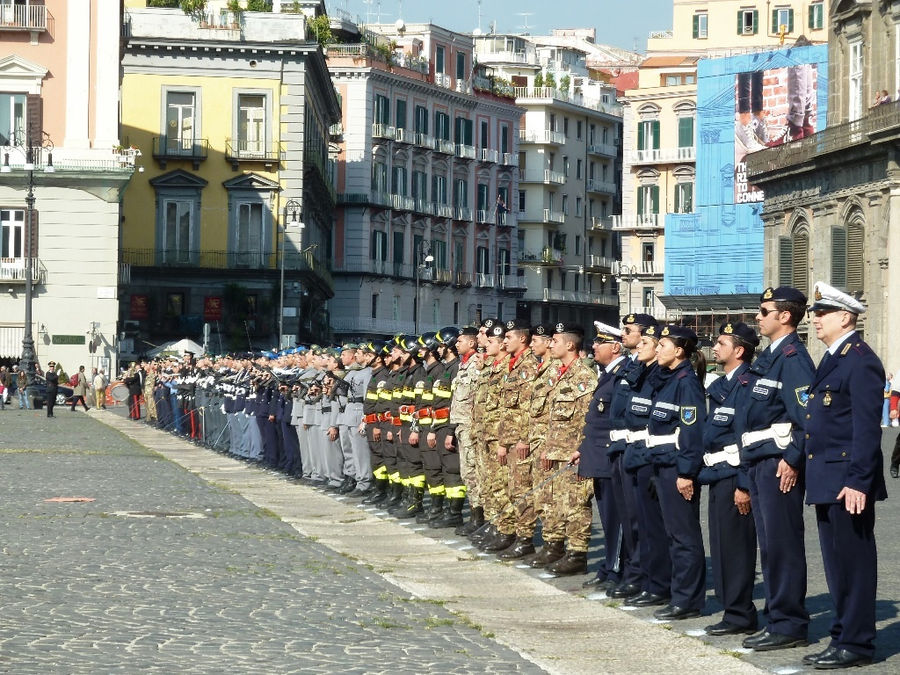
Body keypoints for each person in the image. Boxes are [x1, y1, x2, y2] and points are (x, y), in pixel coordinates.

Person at [802, 281, 886, 669]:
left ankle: (857, 642)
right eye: (815, 314)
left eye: (822, 313)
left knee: (853, 564)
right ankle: (843, 636)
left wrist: (858, 480)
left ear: (846, 317)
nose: (815, 320)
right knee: (836, 566)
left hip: (846, 481)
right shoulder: (835, 358)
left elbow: (866, 429)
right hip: (827, 478)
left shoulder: (860, 359)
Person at [736, 286, 814, 652]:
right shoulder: (770, 358)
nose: (757, 316)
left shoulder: (794, 358)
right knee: (769, 547)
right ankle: (777, 618)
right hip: (760, 462)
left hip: (778, 464)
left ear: (784, 316)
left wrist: (793, 459)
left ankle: (789, 623)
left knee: (782, 545)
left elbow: (807, 418)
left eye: (764, 311)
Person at [701, 322, 759, 636]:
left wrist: (743, 483)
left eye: (722, 343)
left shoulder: (748, 384)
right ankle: (732, 609)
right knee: (722, 545)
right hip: (718, 474)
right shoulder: (724, 384)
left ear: (738, 350)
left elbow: (745, 437)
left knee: (736, 547)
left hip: (735, 476)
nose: (715, 347)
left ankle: (740, 613)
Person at [646, 325, 708, 621]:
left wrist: (686, 472)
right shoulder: (668, 378)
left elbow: (692, 432)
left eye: (662, 345)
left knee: (684, 536)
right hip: (662, 463)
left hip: (676, 467)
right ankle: (678, 592)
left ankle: (688, 600)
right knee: (672, 534)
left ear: (679, 351)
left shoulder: (687, 382)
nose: (656, 350)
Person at [579, 322, 628, 590]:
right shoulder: (607, 374)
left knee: (616, 518)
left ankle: (616, 569)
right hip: (599, 458)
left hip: (611, 458)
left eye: (600, 342)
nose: (594, 346)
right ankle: (609, 566)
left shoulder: (621, 375)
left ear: (616, 346)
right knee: (607, 518)